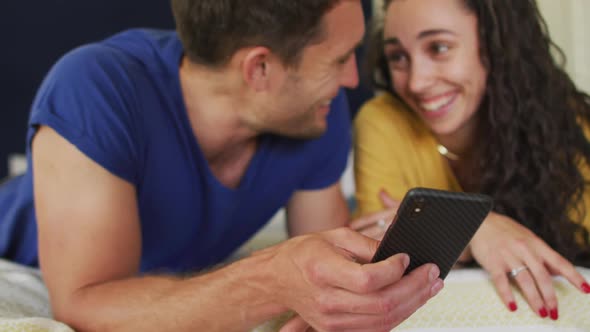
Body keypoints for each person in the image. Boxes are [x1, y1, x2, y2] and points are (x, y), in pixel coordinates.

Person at [0, 0, 445, 331]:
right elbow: (84, 304)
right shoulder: (95, 88)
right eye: (339, 59)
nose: (353, 79)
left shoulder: (314, 114)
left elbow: (325, 260)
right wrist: (269, 279)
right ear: (260, 69)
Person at [352, 0, 590, 322]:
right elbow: (381, 257)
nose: (416, 82)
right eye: (398, 57)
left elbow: (401, 235)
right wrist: (476, 230)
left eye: (438, 48)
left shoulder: (571, 127)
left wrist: (434, 229)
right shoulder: (382, 122)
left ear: (497, 46)